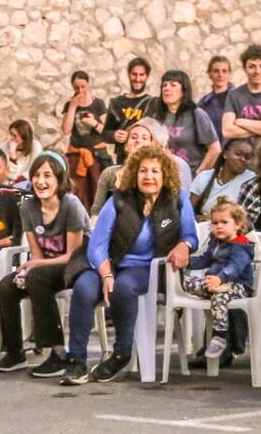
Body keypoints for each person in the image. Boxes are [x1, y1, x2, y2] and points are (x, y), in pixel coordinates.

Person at [60, 144, 197, 385]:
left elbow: (190, 235)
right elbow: (97, 245)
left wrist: (184, 245)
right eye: (143, 171)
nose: (148, 176)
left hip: (149, 268)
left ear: (165, 175)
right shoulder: (119, 200)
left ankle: (121, 353)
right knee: (84, 287)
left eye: (155, 171)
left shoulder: (177, 199)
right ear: (134, 173)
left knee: (124, 287)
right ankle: (76, 360)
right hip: (109, 263)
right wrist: (106, 275)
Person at [0, 152, 89, 377]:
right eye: (36, 175)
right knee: (7, 286)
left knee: (36, 277)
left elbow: (72, 255)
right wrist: (26, 269)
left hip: (76, 265)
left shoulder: (71, 205)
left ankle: (58, 353)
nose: (40, 181)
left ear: (59, 179)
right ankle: (15, 352)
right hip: (47, 266)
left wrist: (34, 267)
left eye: (47, 175)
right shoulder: (27, 208)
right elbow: (36, 254)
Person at [181, 199, 255, 360]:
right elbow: (205, 260)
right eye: (215, 223)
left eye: (224, 222)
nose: (218, 226)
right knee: (184, 281)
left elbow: (234, 268)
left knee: (220, 296)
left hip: (238, 286)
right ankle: (205, 290)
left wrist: (220, 279)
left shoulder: (241, 246)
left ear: (237, 225)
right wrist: (186, 262)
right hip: (216, 284)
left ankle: (220, 336)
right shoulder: (216, 243)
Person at [91, 119, 192, 220]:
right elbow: (96, 212)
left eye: (144, 138)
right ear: (126, 145)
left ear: (152, 145)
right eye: (133, 137)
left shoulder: (164, 173)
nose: (138, 141)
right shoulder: (110, 173)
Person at [151, 69, 220, 175]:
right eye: (164, 85)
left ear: (183, 91)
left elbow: (215, 149)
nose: (167, 88)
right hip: (165, 177)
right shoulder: (157, 117)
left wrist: (198, 175)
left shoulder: (196, 114)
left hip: (190, 176)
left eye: (173, 85)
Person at [60, 70, 110, 206]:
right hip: (76, 155)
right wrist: (72, 106)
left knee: (97, 190)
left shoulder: (98, 104)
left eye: (83, 86)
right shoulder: (69, 105)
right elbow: (66, 130)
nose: (80, 90)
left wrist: (94, 122)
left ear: (88, 84)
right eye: (76, 87)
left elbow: (106, 131)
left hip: (96, 155)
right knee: (78, 192)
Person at [221, 44, 261, 141]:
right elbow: (227, 131)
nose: (257, 71)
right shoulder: (234, 95)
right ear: (245, 68)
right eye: (252, 66)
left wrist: (240, 122)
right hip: (240, 149)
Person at [103, 56, 155, 164]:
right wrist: (114, 135)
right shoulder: (116, 103)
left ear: (147, 76)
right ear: (128, 74)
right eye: (134, 74)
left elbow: (161, 135)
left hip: (147, 159)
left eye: (141, 75)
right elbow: (105, 134)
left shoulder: (154, 104)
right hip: (123, 160)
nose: (137, 79)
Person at [190, 139, 255, 220]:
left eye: (247, 157)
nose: (243, 159)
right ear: (225, 154)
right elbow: (189, 210)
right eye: (238, 154)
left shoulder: (251, 179)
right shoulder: (204, 176)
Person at [198, 55, 233, 143]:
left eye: (224, 71)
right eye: (216, 71)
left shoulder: (238, 98)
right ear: (209, 74)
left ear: (229, 74)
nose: (220, 75)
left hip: (234, 148)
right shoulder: (203, 102)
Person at [4, 119, 42, 186]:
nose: (10, 138)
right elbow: (10, 175)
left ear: (24, 137)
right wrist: (12, 153)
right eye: (10, 134)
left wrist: (15, 182)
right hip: (7, 183)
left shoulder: (35, 146)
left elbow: (33, 170)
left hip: (26, 183)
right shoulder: (4, 146)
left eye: (14, 136)